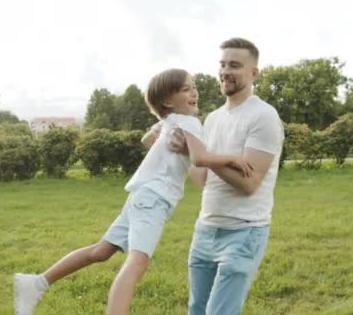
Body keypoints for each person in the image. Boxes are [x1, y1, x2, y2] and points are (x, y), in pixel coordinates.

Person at [13, 68, 253, 315]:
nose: (194, 92)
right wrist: (231, 159)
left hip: (141, 197)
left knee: (101, 251)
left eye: (193, 86)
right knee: (137, 262)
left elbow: (146, 140)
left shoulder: (171, 121)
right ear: (168, 101)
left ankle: (36, 283)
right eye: (185, 89)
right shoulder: (189, 122)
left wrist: (162, 131)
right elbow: (201, 159)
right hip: (153, 200)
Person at [164, 38, 284, 314]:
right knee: (197, 310)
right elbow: (205, 181)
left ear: (254, 73)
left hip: (244, 232)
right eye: (222, 64)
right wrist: (188, 153)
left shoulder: (263, 116)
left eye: (235, 65)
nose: (225, 71)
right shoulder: (214, 118)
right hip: (206, 229)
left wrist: (205, 157)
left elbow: (249, 183)